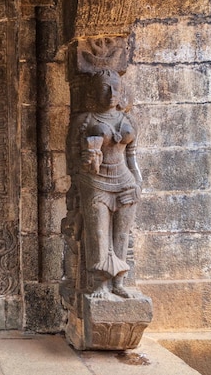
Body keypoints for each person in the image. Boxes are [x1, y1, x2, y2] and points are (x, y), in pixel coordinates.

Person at [72, 70, 142, 299]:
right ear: (93, 91)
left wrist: (138, 182)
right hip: (95, 182)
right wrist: (87, 161)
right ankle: (100, 283)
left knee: (121, 236)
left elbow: (131, 156)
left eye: (115, 88)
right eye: (104, 88)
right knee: (98, 234)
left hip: (125, 182)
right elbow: (71, 160)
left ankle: (118, 282)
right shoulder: (85, 121)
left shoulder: (128, 120)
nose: (111, 94)